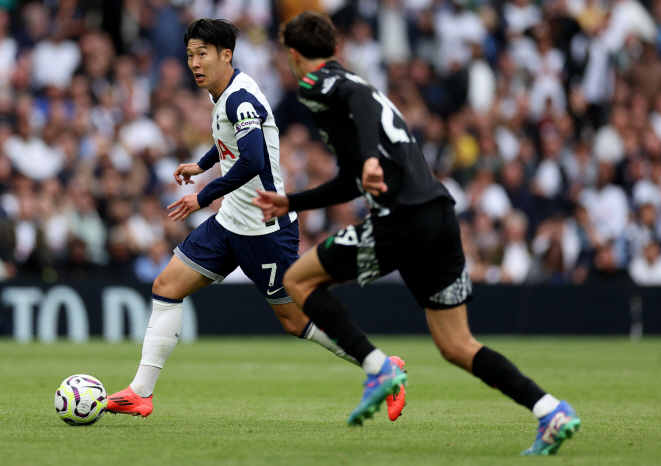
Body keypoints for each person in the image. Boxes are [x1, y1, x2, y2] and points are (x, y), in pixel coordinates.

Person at [254, 11, 581, 455]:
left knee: (297, 280)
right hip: (438, 216)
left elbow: (361, 107)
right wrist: (293, 202)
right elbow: (353, 176)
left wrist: (369, 158)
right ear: (334, 47)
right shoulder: (348, 81)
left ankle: (377, 367)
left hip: (401, 219)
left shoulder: (319, 85)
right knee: (456, 344)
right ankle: (550, 410)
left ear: (293, 54)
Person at [106, 18, 405, 421]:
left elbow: (253, 159)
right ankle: (141, 393)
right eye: (190, 54)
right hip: (231, 222)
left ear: (225, 55)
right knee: (166, 285)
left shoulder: (238, 98)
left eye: (202, 54)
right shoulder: (224, 94)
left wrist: (203, 196)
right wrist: (203, 163)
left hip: (265, 228)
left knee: (295, 321)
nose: (194, 62)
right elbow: (232, 142)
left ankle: (383, 368)